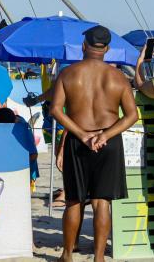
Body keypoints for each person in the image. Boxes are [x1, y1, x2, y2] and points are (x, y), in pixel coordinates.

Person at [51, 25, 138, 262]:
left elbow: (55, 110)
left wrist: (82, 135)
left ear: (83, 46)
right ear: (107, 49)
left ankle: (67, 255)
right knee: (102, 202)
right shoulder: (118, 77)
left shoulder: (68, 74)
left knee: (74, 200)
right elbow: (132, 116)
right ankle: (99, 258)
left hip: (79, 141)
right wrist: (105, 136)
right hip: (108, 142)